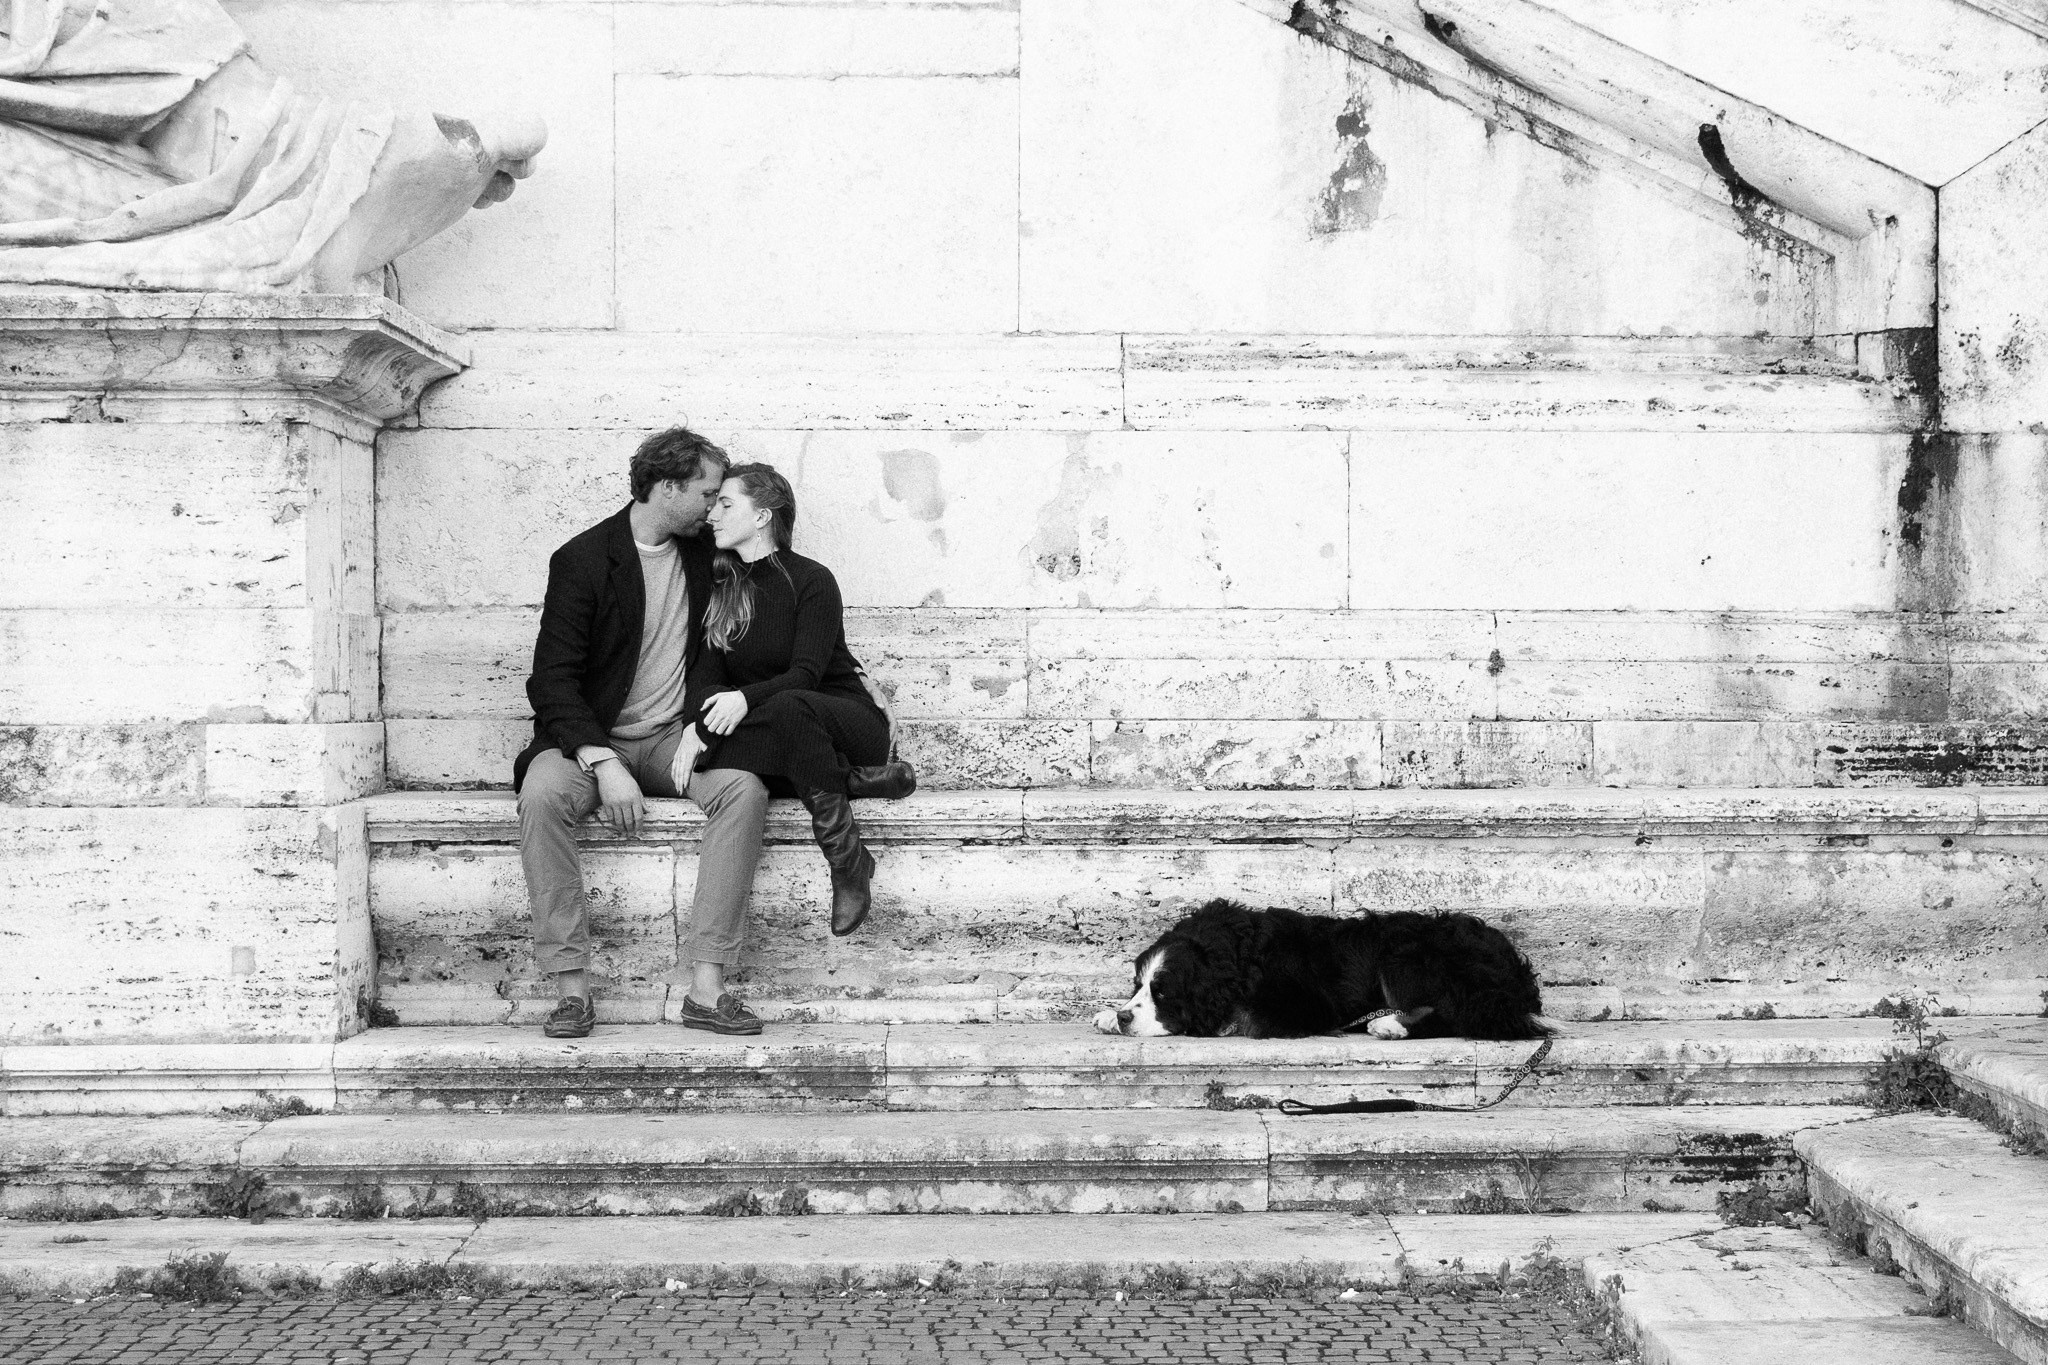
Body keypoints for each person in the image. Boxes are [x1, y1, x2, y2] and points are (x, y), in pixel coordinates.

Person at [513, 428, 774, 1040]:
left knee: (743, 790)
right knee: (541, 797)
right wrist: (602, 760)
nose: (715, 508)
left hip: (670, 741)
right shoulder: (582, 559)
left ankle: (706, 990)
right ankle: (571, 990)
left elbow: (780, 614)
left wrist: (851, 677)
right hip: (589, 739)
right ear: (668, 487)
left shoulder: (709, 554)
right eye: (708, 494)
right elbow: (551, 679)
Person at [675, 463, 914, 939]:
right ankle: (846, 781)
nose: (713, 515)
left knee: (787, 708)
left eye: (726, 504)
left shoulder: (812, 579)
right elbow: (705, 680)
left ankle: (845, 859)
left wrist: (742, 700)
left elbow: (806, 674)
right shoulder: (723, 588)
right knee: (711, 753)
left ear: (762, 516)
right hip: (792, 742)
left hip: (844, 723)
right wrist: (693, 727)